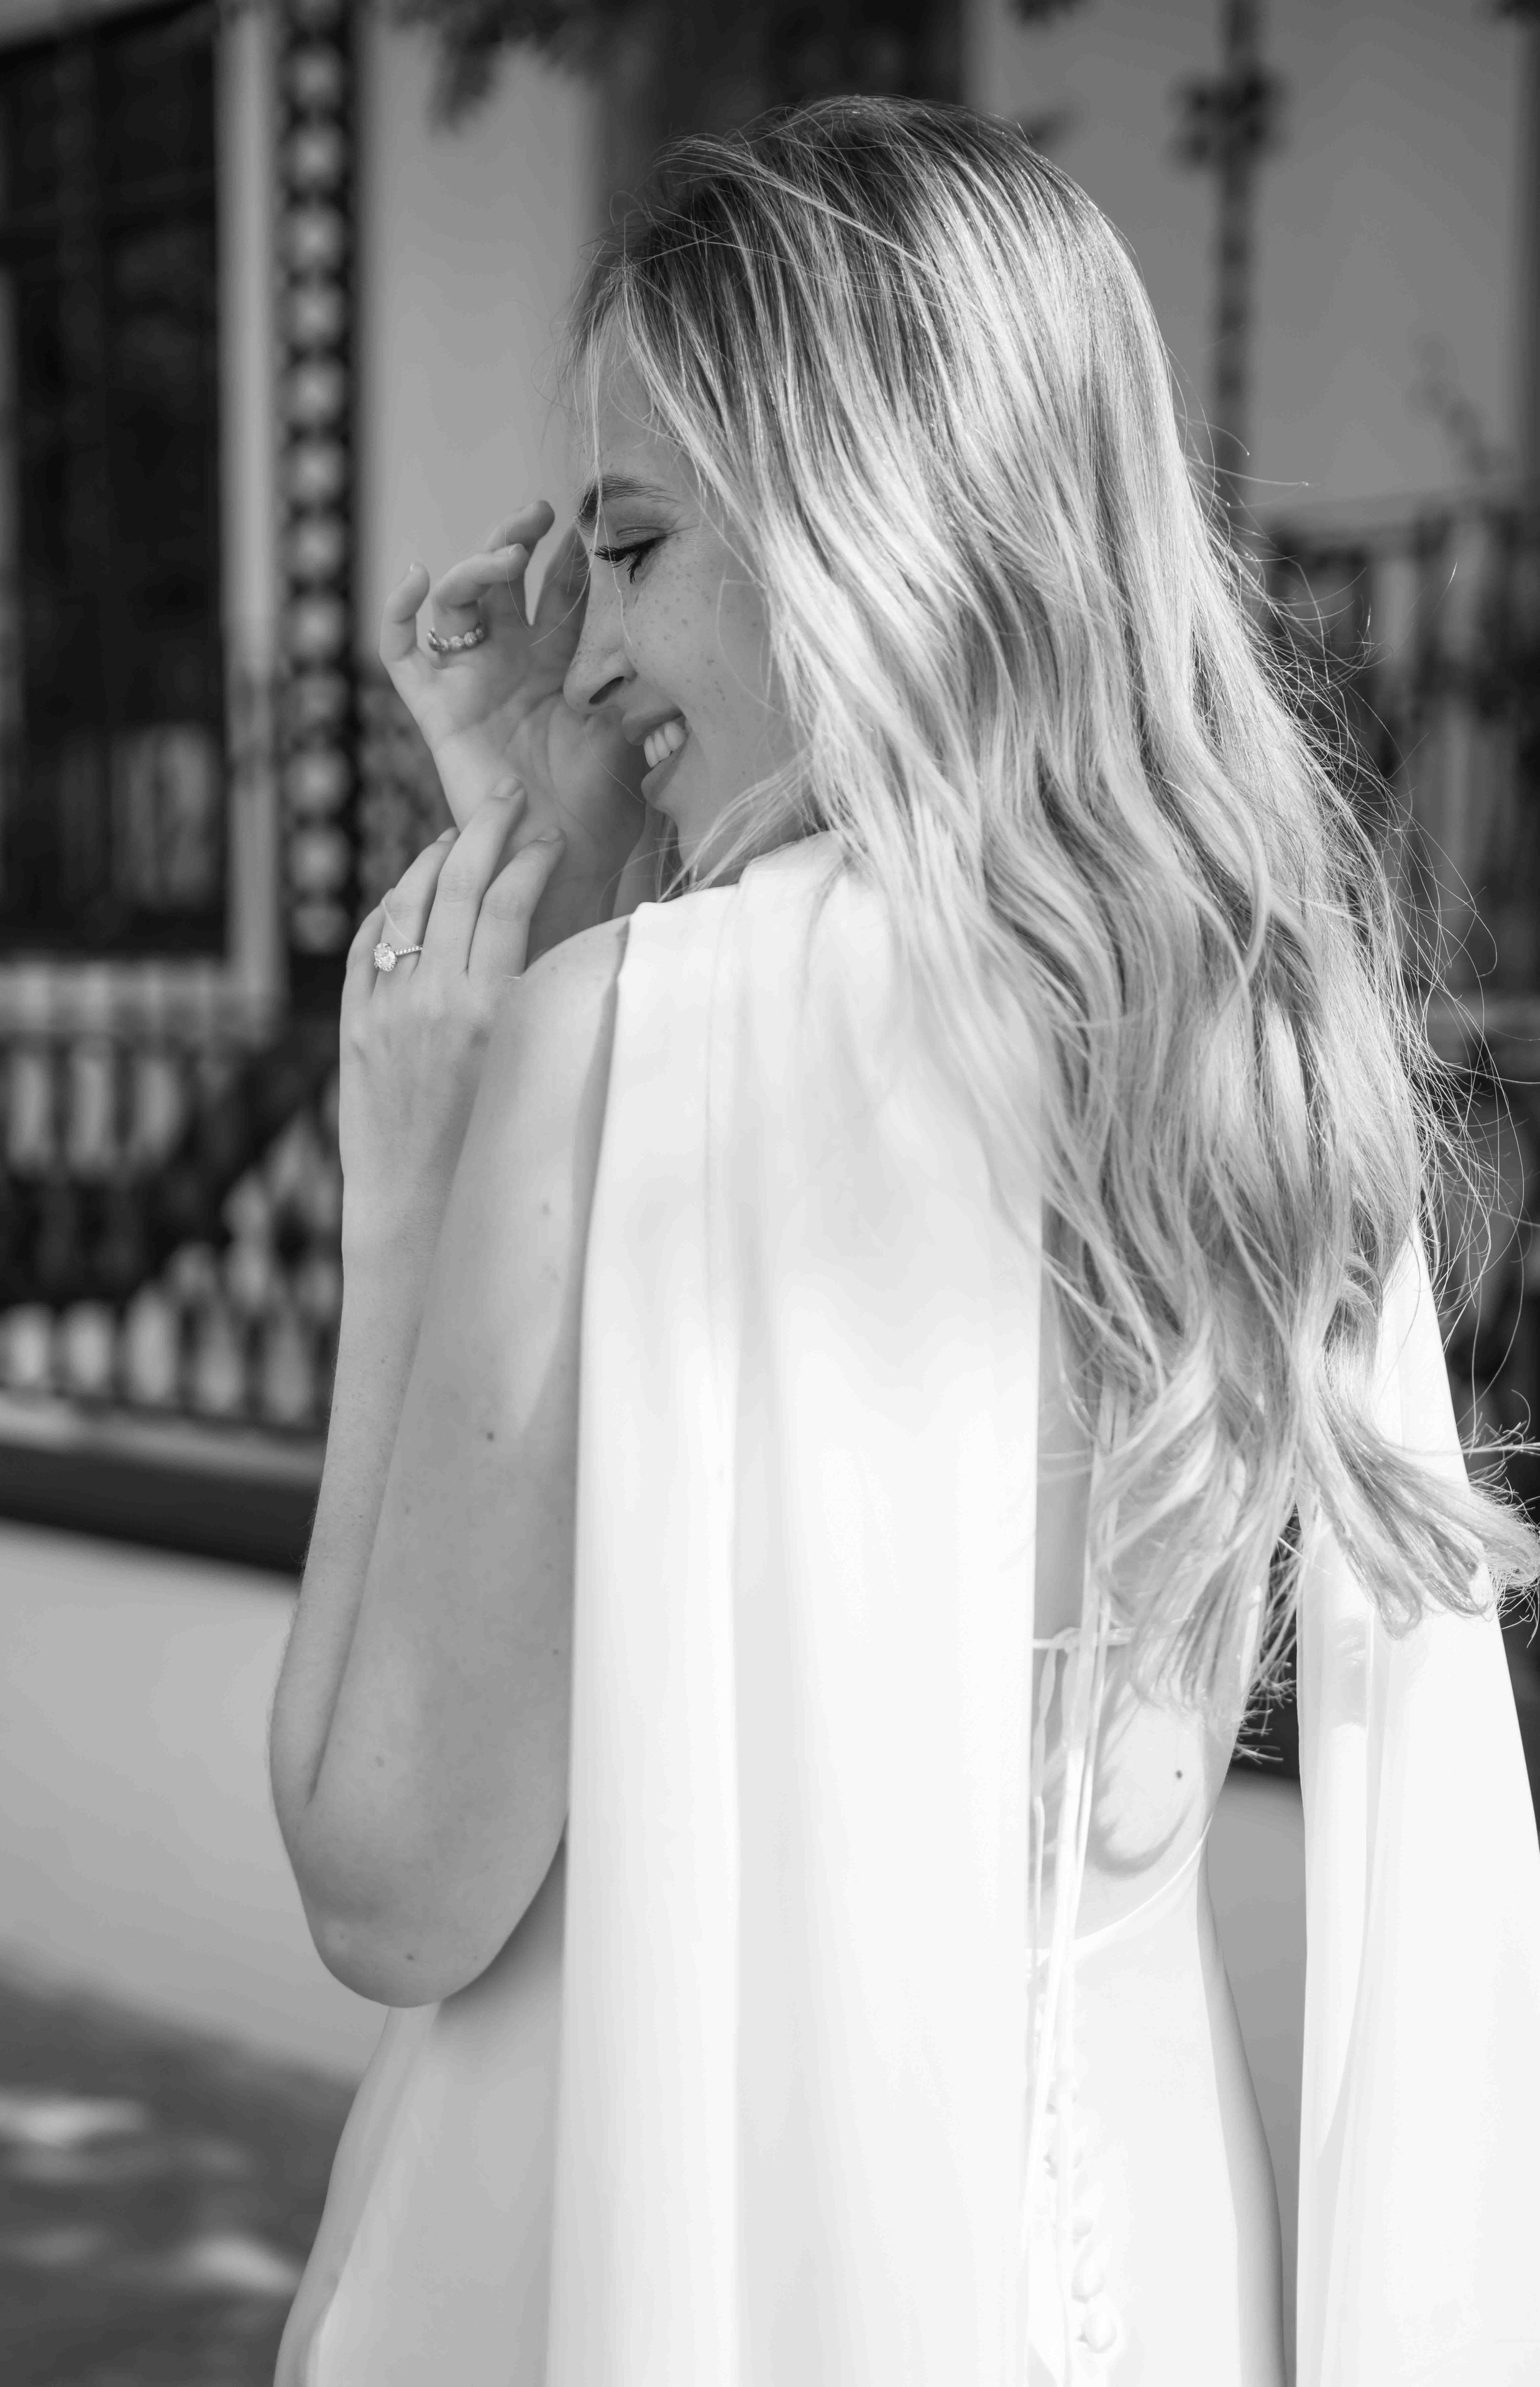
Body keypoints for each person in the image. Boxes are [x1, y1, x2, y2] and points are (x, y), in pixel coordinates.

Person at [269, 97, 1540, 2387]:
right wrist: (582, 869)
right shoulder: (1252, 1039)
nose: (582, 650)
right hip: (1144, 2281)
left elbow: (390, 1878)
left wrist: (414, 1175)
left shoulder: (623, 1053)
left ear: (855, 522)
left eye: (636, 547)